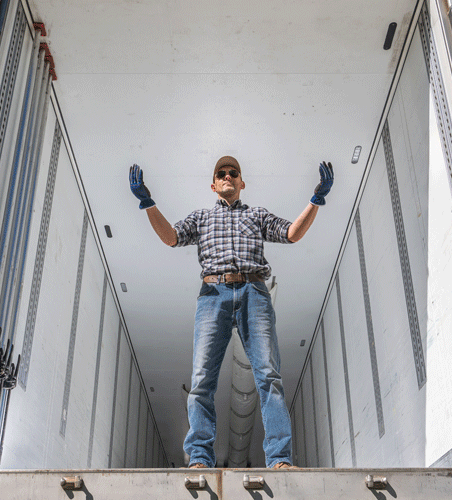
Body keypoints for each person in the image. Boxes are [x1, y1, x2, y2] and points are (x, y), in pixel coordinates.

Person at [128, 155, 334, 469]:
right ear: (213, 185)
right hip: (213, 295)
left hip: (254, 293)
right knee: (202, 380)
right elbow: (171, 238)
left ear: (241, 182)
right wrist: (148, 203)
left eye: (233, 173)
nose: (228, 175)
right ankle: (199, 457)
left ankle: (279, 458)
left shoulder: (257, 215)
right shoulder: (200, 218)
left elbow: (292, 233)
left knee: (269, 377)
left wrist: (316, 200)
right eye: (221, 173)